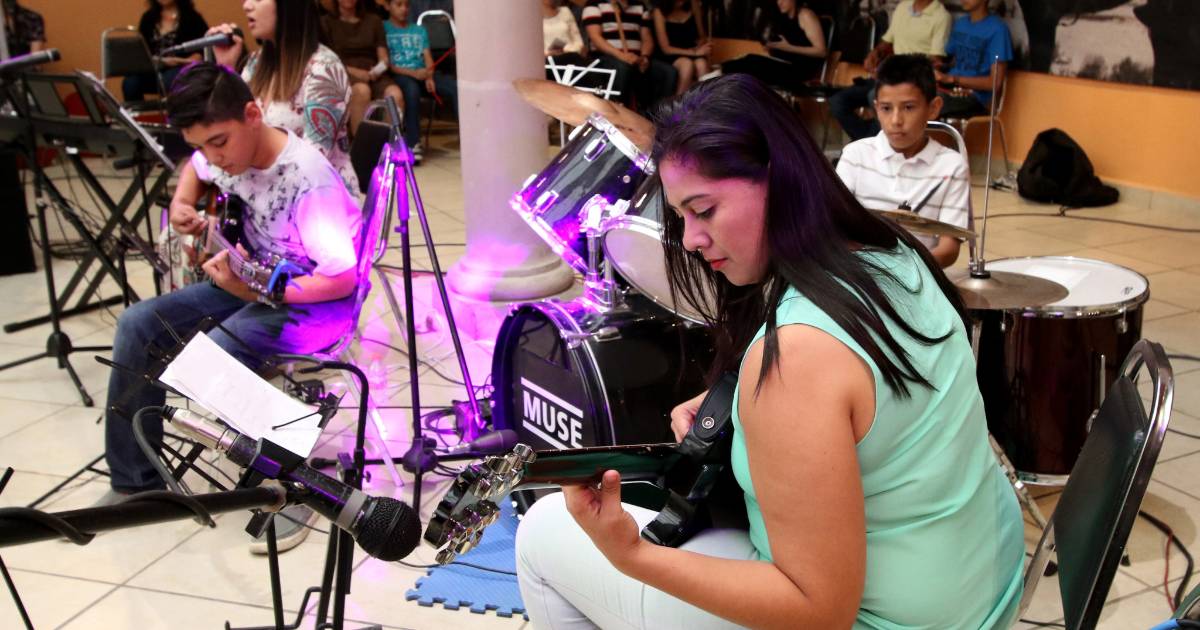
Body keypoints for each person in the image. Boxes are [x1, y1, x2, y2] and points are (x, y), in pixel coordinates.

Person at [515, 73, 1024, 629]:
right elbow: (872, 405)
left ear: (780, 180)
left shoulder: (796, 357)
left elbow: (818, 613)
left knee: (542, 532)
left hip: (893, 619)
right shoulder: (893, 251)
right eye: (681, 216)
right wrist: (745, 405)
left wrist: (631, 555)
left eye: (704, 210)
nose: (690, 239)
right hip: (983, 591)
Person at [100, 63, 362, 553]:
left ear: (252, 114)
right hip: (252, 280)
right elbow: (195, 169)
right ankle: (137, 481)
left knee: (217, 353)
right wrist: (183, 203)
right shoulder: (221, 154)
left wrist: (258, 292)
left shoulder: (309, 181)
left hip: (317, 300)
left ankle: (295, 491)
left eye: (218, 142)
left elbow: (341, 279)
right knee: (137, 324)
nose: (213, 157)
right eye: (202, 146)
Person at [208, 0, 359, 195]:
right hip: (260, 196)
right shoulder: (256, 63)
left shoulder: (324, 68)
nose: (246, 5)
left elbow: (310, 166)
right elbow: (230, 132)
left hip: (317, 200)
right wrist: (226, 67)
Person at [836, 55, 969, 268]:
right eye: (886, 108)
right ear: (876, 108)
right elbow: (835, 228)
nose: (896, 120)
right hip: (861, 272)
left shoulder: (951, 166)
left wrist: (903, 273)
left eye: (908, 107)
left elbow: (948, 250)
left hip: (919, 275)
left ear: (933, 108)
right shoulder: (855, 155)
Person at [830, 0, 951, 140]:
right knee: (838, 101)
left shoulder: (941, 16)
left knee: (874, 97)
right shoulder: (903, 7)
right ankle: (868, 141)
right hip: (888, 77)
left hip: (912, 82)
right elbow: (887, 40)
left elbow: (935, 60)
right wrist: (875, 53)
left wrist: (896, 70)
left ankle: (874, 143)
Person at [383, 0, 458, 165]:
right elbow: (389, 64)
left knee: (454, 87)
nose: (404, 9)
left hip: (424, 74)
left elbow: (427, 57)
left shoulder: (419, 30)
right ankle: (413, 143)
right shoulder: (384, 29)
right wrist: (414, 73)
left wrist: (429, 76)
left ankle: (467, 136)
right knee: (411, 90)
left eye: (406, 5)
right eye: (398, 5)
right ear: (388, 6)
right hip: (402, 75)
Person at [320, 0, 403, 135]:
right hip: (342, 70)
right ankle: (361, 146)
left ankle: (389, 143)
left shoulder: (374, 21)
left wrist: (378, 69)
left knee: (395, 95)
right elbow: (327, 59)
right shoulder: (326, 22)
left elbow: (383, 57)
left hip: (372, 71)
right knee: (362, 91)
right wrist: (356, 73)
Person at [581, 0, 678, 111]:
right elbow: (595, 38)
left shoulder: (640, 6)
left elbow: (647, 37)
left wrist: (645, 56)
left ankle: (657, 113)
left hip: (636, 58)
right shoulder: (594, 4)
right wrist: (621, 56)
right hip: (605, 58)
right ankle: (618, 112)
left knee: (668, 72)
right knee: (623, 67)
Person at [720, 0, 825, 91]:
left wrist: (788, 48)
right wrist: (772, 47)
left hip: (800, 70)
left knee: (751, 61)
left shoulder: (805, 15)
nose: (779, 2)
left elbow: (821, 51)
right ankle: (720, 73)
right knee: (746, 63)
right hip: (782, 65)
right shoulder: (781, 18)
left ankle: (719, 74)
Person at [933, 0, 1013, 119]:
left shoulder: (998, 29)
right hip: (949, 90)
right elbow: (945, 59)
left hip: (976, 99)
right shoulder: (961, 24)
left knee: (929, 106)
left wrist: (953, 79)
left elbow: (995, 82)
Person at [123, 0, 210, 103]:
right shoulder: (148, 18)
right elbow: (142, 50)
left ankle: (175, 111)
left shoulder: (192, 18)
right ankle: (134, 112)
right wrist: (158, 61)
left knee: (170, 78)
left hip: (181, 67)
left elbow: (202, 51)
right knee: (130, 82)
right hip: (154, 68)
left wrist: (178, 61)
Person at [652, 0, 711, 96]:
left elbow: (702, 36)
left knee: (702, 64)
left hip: (692, 49)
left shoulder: (694, 4)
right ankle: (680, 102)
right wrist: (694, 52)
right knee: (687, 64)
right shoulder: (659, 11)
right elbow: (665, 48)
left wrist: (702, 44)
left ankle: (704, 102)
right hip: (671, 53)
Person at [543, 0, 587, 68]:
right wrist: (548, 54)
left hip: (571, 57)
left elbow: (579, 42)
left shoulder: (565, 11)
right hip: (547, 61)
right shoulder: (531, 17)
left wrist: (565, 50)